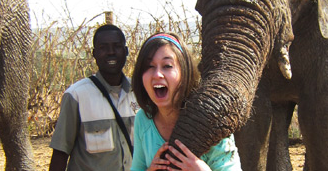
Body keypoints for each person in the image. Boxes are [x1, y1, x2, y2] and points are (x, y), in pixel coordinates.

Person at [130, 32, 242, 171]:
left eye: (167, 66)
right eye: (149, 66)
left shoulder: (210, 119)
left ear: (185, 72)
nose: (157, 74)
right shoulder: (143, 118)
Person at [49, 24, 138, 171]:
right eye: (103, 47)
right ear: (94, 53)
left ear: (126, 51)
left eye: (116, 46)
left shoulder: (140, 91)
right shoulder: (77, 95)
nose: (111, 52)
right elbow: (60, 153)